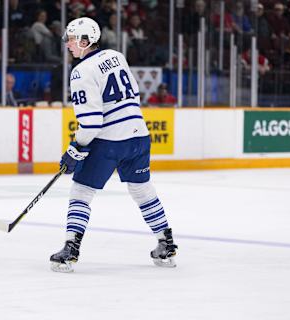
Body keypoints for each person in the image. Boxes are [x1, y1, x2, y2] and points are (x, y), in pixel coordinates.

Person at [50, 17, 178, 273]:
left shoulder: (80, 72)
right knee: (142, 190)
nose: (68, 45)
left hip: (110, 140)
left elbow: (91, 122)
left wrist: (75, 150)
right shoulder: (117, 56)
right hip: (139, 135)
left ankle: (70, 250)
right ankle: (166, 244)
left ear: (86, 41)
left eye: (73, 40)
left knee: (81, 192)